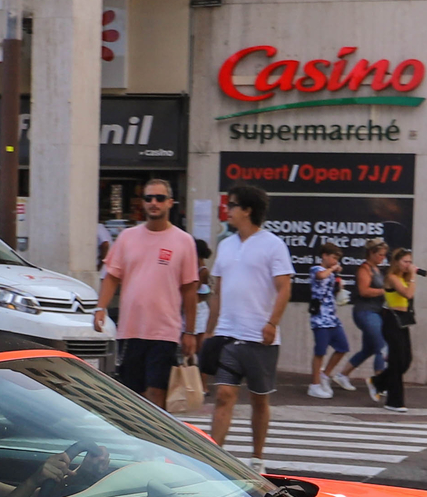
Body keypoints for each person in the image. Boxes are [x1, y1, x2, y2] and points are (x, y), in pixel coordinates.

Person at [198, 184, 294, 473]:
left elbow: (284, 287)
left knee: (259, 400)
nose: (228, 210)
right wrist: (209, 329)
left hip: (260, 338)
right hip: (228, 335)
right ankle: (215, 458)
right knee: (224, 394)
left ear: (247, 210)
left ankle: (257, 457)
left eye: (233, 205)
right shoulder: (226, 245)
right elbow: (217, 292)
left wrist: (272, 322)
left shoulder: (273, 245)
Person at [94, 178, 202, 404]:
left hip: (165, 332)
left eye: (160, 198)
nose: (154, 202)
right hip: (131, 330)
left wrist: (190, 332)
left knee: (157, 394)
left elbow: (190, 290)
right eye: (148, 198)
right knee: (131, 398)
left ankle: (157, 440)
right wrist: (100, 307)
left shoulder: (184, 241)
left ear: (170, 202)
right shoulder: (127, 237)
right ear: (143, 203)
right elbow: (112, 276)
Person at [340, 239, 390, 398]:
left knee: (369, 348)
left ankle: (342, 375)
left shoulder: (376, 269)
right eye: (380, 255)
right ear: (371, 253)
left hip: (374, 312)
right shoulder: (364, 269)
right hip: (365, 312)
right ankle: (378, 383)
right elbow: (364, 291)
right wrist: (384, 291)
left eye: (384, 255)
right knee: (382, 347)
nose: (383, 257)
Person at [375, 248, 417, 410]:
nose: (408, 265)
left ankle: (378, 382)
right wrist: (413, 277)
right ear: (396, 262)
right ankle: (394, 401)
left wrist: (411, 277)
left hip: (403, 321)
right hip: (392, 320)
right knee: (396, 360)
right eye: (405, 261)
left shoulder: (405, 278)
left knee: (406, 360)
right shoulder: (392, 278)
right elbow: (407, 294)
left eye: (410, 262)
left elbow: (410, 295)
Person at [306, 249, 350, 399]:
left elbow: (334, 290)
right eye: (333, 257)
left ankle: (325, 375)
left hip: (332, 317)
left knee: (343, 347)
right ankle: (314, 384)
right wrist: (332, 269)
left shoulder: (332, 274)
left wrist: (340, 286)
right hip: (319, 319)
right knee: (320, 352)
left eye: (337, 258)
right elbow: (321, 275)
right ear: (324, 255)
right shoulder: (316, 269)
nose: (335, 261)